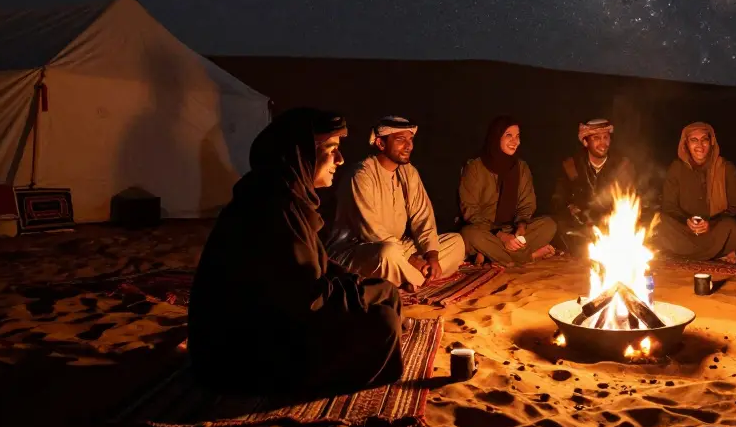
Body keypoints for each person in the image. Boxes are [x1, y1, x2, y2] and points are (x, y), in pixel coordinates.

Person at [188, 108, 403, 395]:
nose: (340, 160)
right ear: (302, 154)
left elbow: (318, 267)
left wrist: (367, 288)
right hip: (242, 355)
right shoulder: (275, 207)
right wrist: (365, 295)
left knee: (384, 293)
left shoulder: (286, 196)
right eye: (331, 150)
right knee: (382, 323)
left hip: (268, 329)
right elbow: (307, 300)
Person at [325, 116, 466, 291]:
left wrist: (431, 257)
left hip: (398, 246)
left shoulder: (409, 172)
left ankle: (406, 277)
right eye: (400, 140)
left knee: (456, 242)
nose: (409, 146)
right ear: (380, 143)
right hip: (359, 250)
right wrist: (411, 259)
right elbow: (371, 232)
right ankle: (417, 278)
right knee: (387, 253)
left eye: (410, 140)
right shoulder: (361, 175)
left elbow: (423, 218)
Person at [459, 115, 558, 265]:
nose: (516, 142)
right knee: (468, 234)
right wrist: (500, 236)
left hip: (512, 228)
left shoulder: (521, 167)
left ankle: (492, 255)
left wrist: (521, 226)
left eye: (518, 136)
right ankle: (527, 257)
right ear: (496, 137)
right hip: (486, 230)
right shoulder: (475, 167)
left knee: (549, 224)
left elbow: (527, 204)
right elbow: (470, 211)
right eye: (509, 136)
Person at [648, 122, 736, 263]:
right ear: (685, 144)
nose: (700, 145)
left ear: (711, 142)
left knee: (731, 226)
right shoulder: (676, 168)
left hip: (714, 230)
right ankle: (718, 253)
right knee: (659, 222)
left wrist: (710, 223)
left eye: (704, 139)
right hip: (685, 229)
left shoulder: (726, 168)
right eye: (694, 140)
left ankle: (685, 254)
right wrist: (686, 221)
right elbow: (669, 206)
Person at [549, 118, 637, 254]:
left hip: (611, 223)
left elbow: (632, 199)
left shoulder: (622, 166)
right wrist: (570, 208)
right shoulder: (571, 166)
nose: (603, 143)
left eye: (606, 138)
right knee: (557, 225)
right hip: (580, 225)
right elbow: (558, 199)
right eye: (597, 138)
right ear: (585, 142)